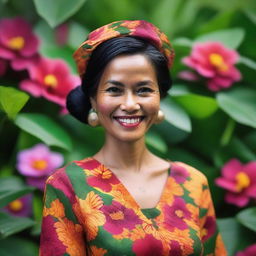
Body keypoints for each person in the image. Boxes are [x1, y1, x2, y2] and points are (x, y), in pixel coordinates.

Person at [39, 20, 227, 256]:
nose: (129, 104)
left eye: (144, 90)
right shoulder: (66, 186)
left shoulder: (192, 182)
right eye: (114, 90)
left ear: (160, 96)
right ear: (93, 100)